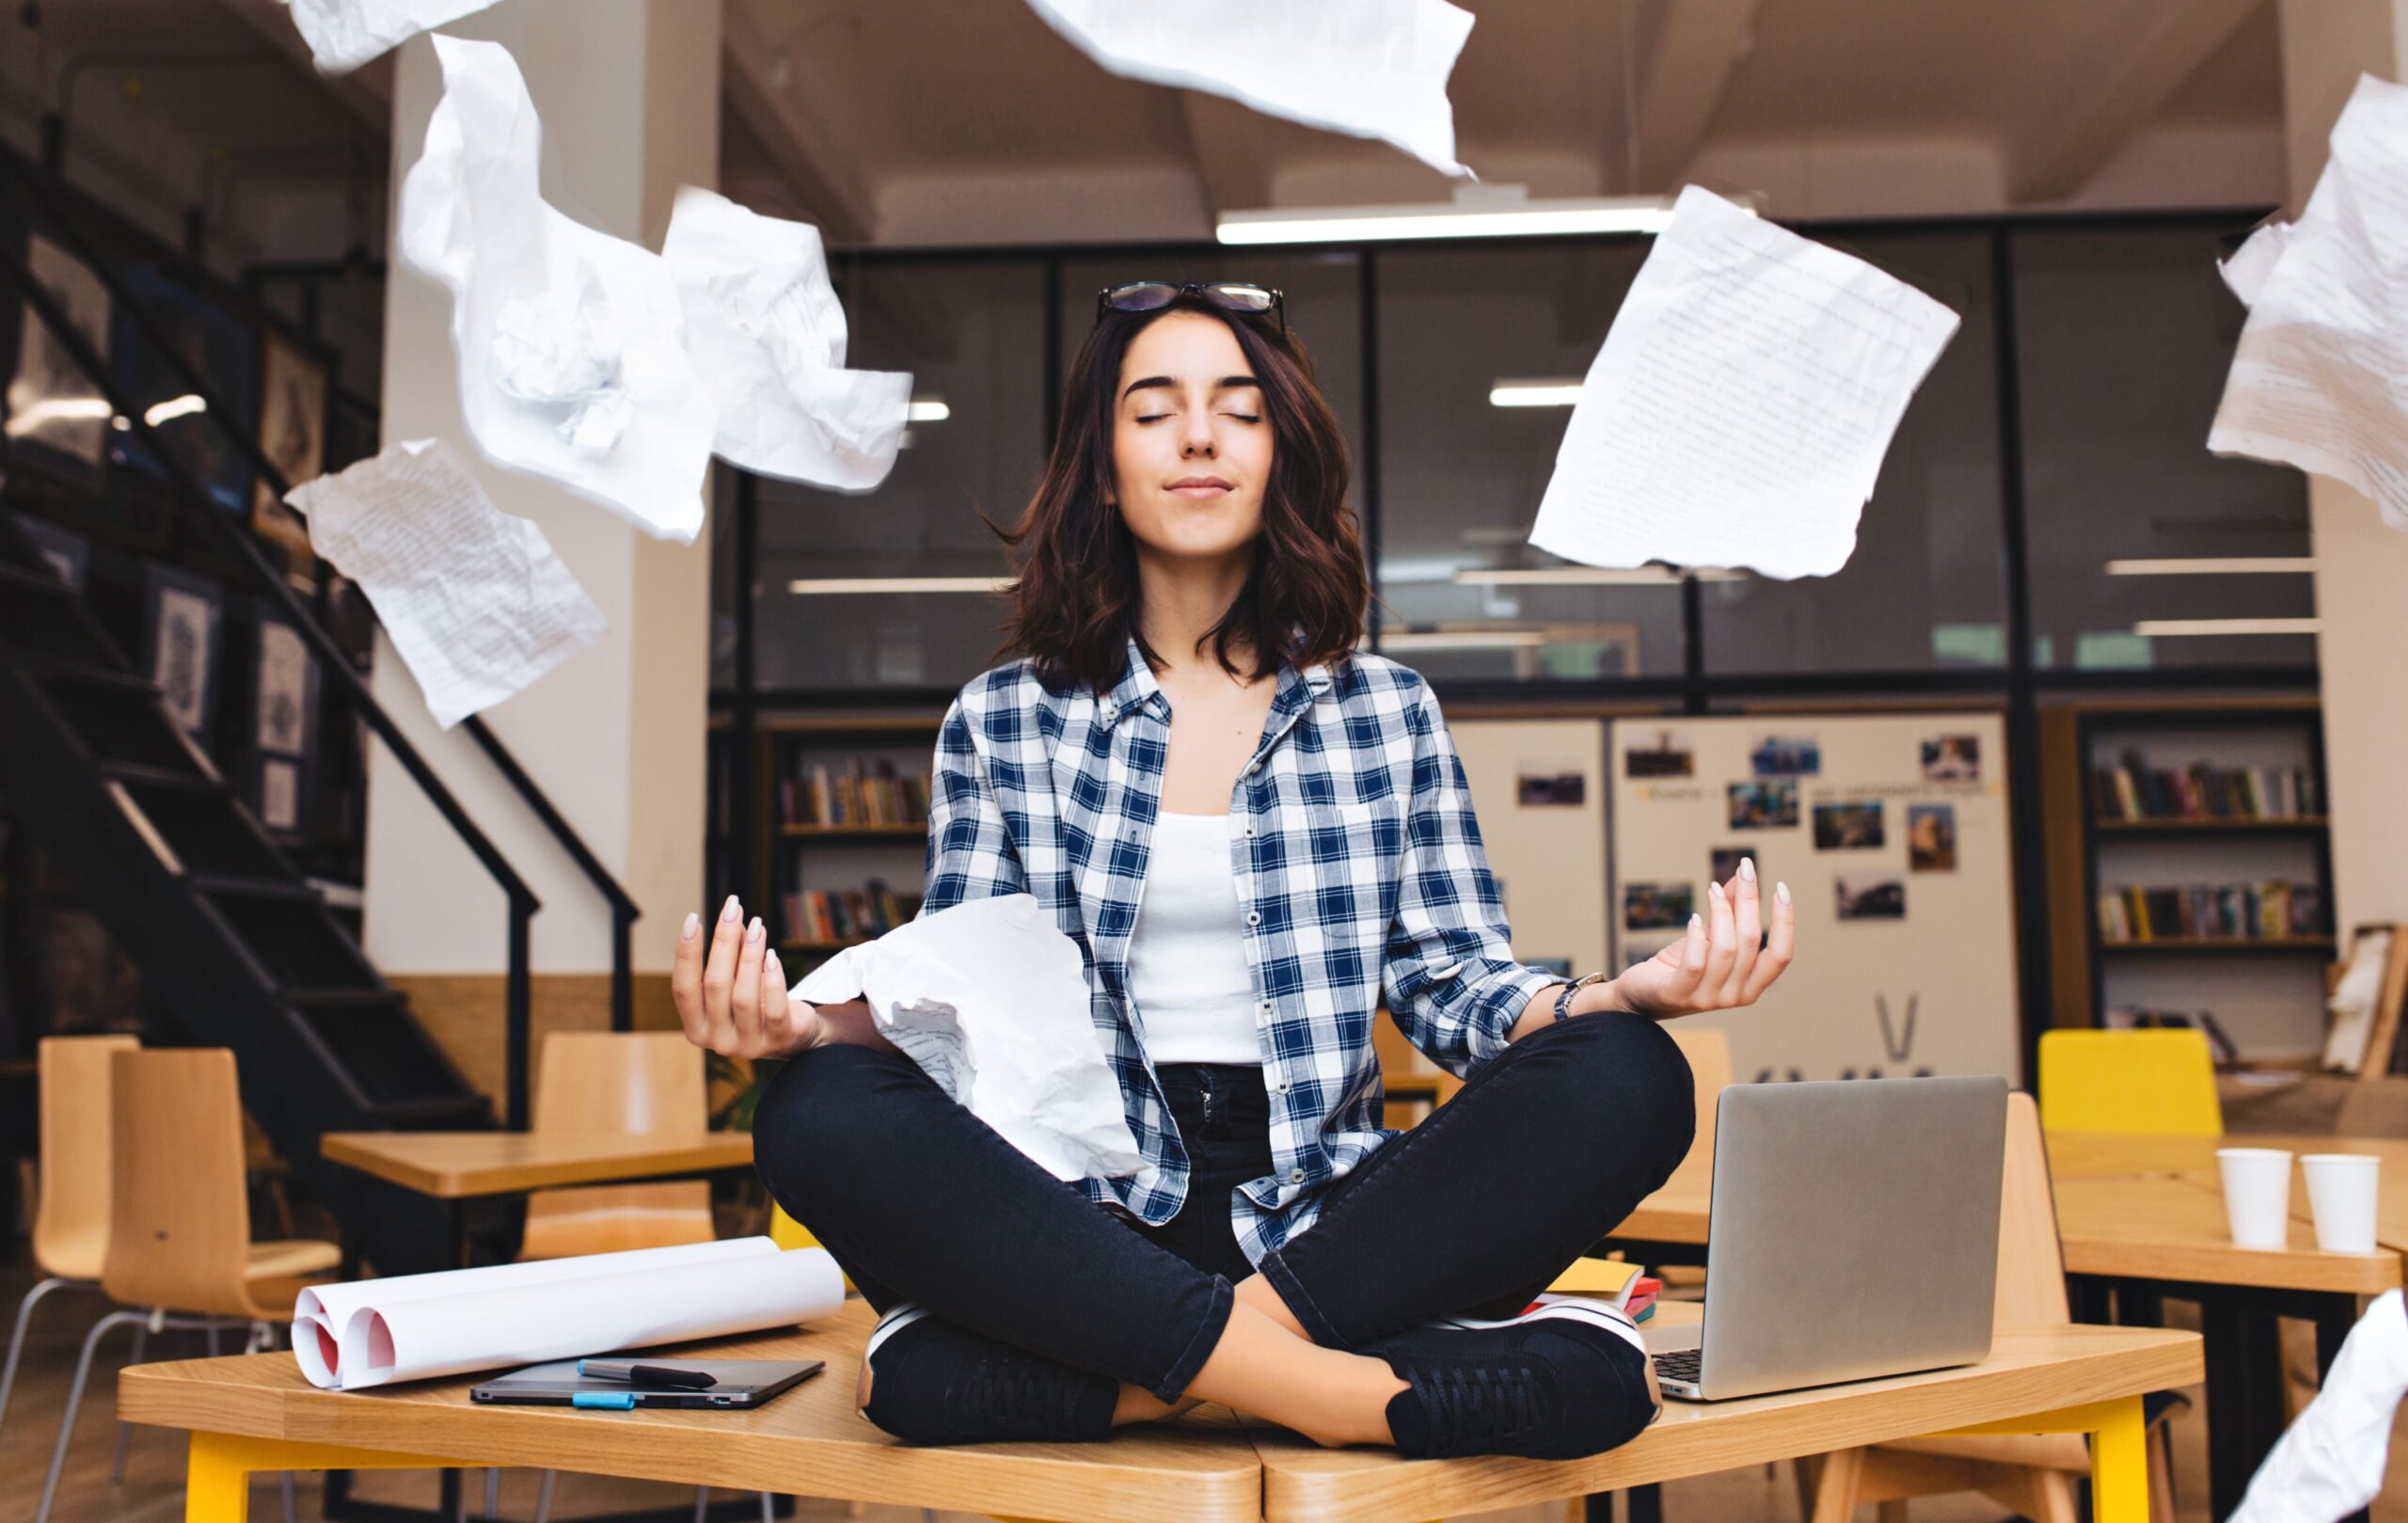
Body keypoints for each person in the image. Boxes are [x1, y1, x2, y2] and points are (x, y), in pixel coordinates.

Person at [672, 280, 1797, 1460]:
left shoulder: (1383, 712)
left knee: (1629, 1073)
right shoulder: (1004, 718)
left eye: (1237, 410)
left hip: (1329, 1225)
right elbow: (969, 1015)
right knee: (813, 1112)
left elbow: (1451, 984)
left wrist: (1622, 997)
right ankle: (1341, 1397)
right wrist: (798, 1033)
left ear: (1279, 457)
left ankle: (1162, 1372)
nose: (1198, 436)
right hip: (1080, 1217)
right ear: (1103, 469)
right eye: (1154, 410)